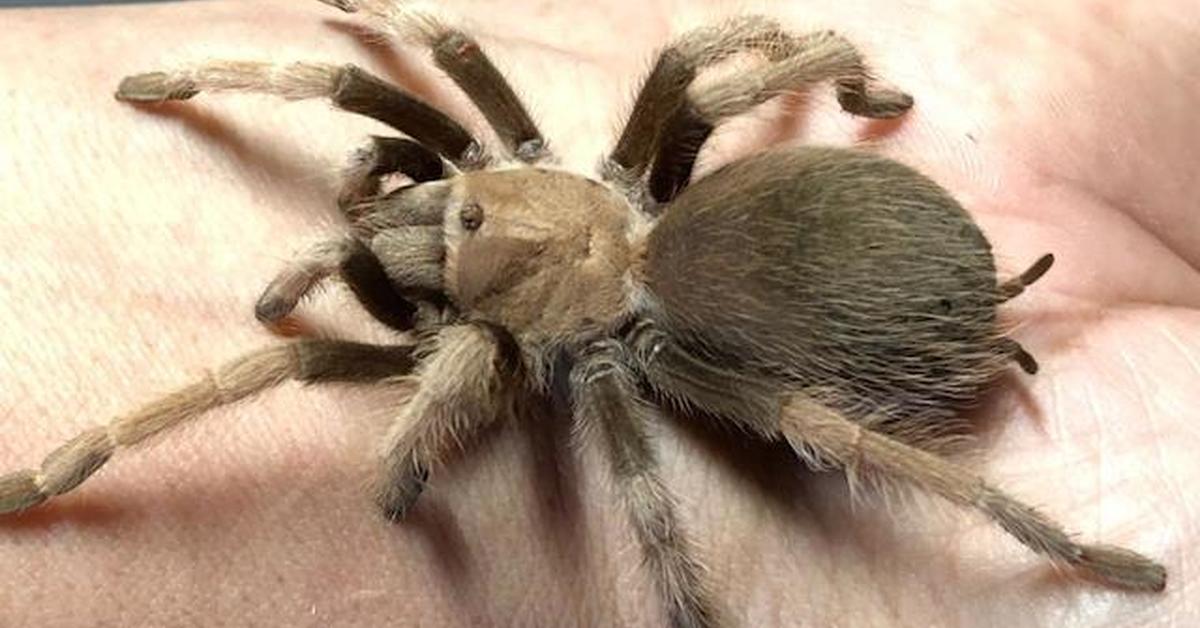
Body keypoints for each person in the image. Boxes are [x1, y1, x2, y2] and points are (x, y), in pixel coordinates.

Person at [0, 0, 1194, 625]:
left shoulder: (524, 349)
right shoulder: (573, 156)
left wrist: (411, 453)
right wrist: (838, 70)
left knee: (826, 426)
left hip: (774, 290)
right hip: (767, 223)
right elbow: (691, 57)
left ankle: (1047, 538)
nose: (431, 216)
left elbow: (434, 435)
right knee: (685, 72)